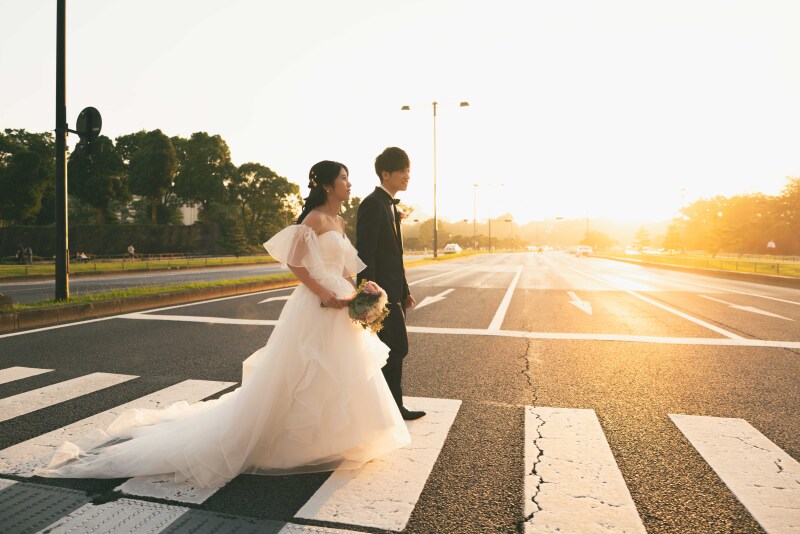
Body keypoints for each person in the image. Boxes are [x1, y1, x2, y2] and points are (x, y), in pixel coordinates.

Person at [35, 160, 411, 487]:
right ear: (328, 185)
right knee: (307, 370)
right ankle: (296, 441)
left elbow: (344, 267)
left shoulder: (339, 220)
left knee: (341, 371)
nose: (349, 183)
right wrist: (322, 293)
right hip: (316, 303)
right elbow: (295, 263)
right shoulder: (313, 219)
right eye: (344, 178)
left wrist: (359, 295)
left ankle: (337, 438)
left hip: (341, 304)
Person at [356, 147, 425, 421]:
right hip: (380, 295)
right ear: (385, 174)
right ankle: (389, 408)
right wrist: (370, 297)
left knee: (390, 352)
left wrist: (405, 290)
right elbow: (366, 254)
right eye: (402, 171)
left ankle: (392, 407)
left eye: (409, 170)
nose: (407, 176)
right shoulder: (372, 204)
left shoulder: (390, 205)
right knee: (394, 349)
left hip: (394, 293)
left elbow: (395, 255)